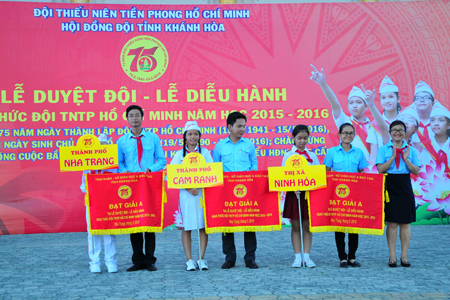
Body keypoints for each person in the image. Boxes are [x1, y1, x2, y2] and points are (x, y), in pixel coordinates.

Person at [117, 105, 166, 272]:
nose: (135, 118)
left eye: (137, 115)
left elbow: (161, 160)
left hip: (150, 184)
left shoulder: (153, 138)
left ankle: (150, 260)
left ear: (142, 117)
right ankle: (137, 260)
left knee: (149, 222)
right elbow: (119, 164)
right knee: (135, 223)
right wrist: (126, 171)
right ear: (127, 119)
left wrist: (151, 169)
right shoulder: (121, 141)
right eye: (131, 116)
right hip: (131, 186)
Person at [310, 65, 388, 167]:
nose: (354, 106)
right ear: (348, 106)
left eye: (358, 102)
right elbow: (335, 104)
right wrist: (323, 84)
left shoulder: (373, 125)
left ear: (365, 106)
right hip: (350, 170)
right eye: (351, 103)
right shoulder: (345, 121)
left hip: (371, 172)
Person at [213, 111, 258, 269]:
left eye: (244, 126)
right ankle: (229, 258)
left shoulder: (249, 145)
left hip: (246, 191)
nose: (242, 129)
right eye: (239, 126)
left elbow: (254, 165)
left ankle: (250, 258)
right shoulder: (219, 146)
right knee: (227, 223)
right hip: (226, 191)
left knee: (249, 224)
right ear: (229, 127)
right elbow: (216, 169)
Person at [324, 123, 369, 268]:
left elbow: (362, 173)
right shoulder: (332, 152)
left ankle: (352, 257)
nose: (347, 136)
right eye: (345, 133)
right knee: (340, 227)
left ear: (354, 136)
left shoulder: (359, 153)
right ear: (339, 134)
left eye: (350, 133)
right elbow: (326, 172)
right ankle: (342, 257)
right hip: (338, 195)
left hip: (354, 196)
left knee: (353, 228)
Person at [376, 120, 420, 268]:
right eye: (394, 130)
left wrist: (406, 159)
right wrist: (392, 157)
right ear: (390, 132)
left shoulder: (411, 150)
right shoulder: (383, 149)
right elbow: (380, 169)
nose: (397, 132)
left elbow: (416, 171)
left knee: (405, 223)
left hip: (405, 185)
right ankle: (392, 255)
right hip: (390, 185)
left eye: (400, 130)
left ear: (404, 132)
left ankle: (404, 256)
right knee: (392, 223)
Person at [170, 121, 213, 271]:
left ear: (199, 136)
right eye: (190, 134)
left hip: (201, 195)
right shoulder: (179, 155)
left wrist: (199, 186)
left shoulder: (205, 153)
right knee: (186, 227)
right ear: (185, 137)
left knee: (202, 227)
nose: (193, 137)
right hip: (186, 196)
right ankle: (189, 260)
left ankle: (201, 258)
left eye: (196, 134)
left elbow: (212, 173)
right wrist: (188, 188)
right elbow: (170, 176)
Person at [281, 125, 319, 268]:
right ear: (293, 138)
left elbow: (318, 176)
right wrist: (291, 187)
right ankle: (297, 257)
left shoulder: (312, 156)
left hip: (308, 195)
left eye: (305, 138)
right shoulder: (288, 155)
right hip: (294, 194)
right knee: (296, 226)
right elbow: (283, 176)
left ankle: (307, 257)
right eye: (299, 138)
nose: (302, 141)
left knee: (307, 226)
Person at [80, 133, 117, 274]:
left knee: (109, 231)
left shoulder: (113, 166)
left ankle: (110, 261)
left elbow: (117, 183)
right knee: (93, 232)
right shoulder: (87, 165)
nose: (102, 149)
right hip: (93, 204)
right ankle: (94, 262)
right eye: (99, 147)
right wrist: (93, 188)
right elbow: (82, 186)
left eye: (104, 147)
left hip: (109, 204)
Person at [419, 106, 450, 173]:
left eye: (441, 120)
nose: (436, 124)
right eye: (432, 120)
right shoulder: (424, 147)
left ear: (448, 125)